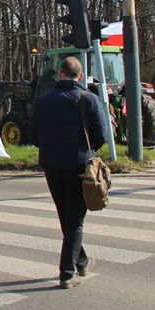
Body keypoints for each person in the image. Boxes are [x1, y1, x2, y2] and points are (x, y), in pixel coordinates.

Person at [29, 56, 110, 289]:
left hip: (52, 167)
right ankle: (66, 273)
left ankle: (82, 261)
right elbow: (101, 136)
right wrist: (85, 149)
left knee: (66, 217)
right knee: (74, 222)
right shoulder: (89, 99)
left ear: (60, 74)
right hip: (78, 166)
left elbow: (33, 137)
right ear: (80, 77)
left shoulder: (42, 101)